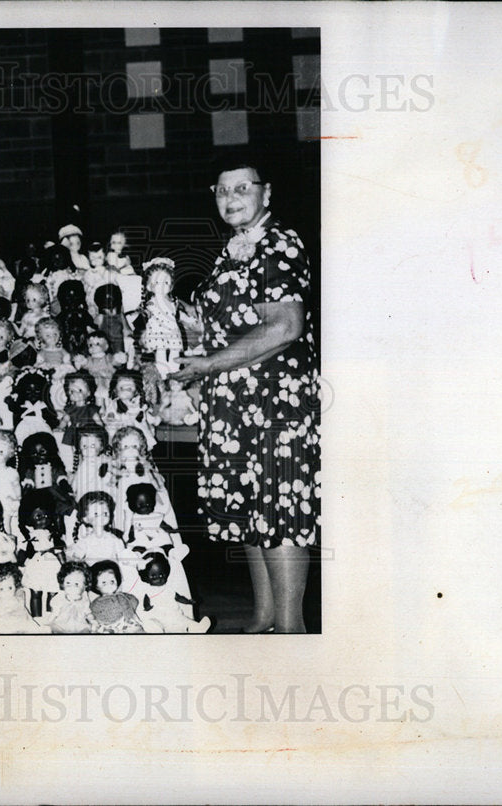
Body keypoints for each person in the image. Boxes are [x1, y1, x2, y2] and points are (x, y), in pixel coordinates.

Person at [172, 159, 320, 633]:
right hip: (237, 400)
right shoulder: (235, 248)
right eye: (221, 191)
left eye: (242, 188)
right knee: (255, 510)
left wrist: (210, 363)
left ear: (267, 193)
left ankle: (291, 628)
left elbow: (285, 325)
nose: (231, 198)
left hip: (274, 400)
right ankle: (263, 619)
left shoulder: (278, 243)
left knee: (279, 509)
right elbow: (240, 320)